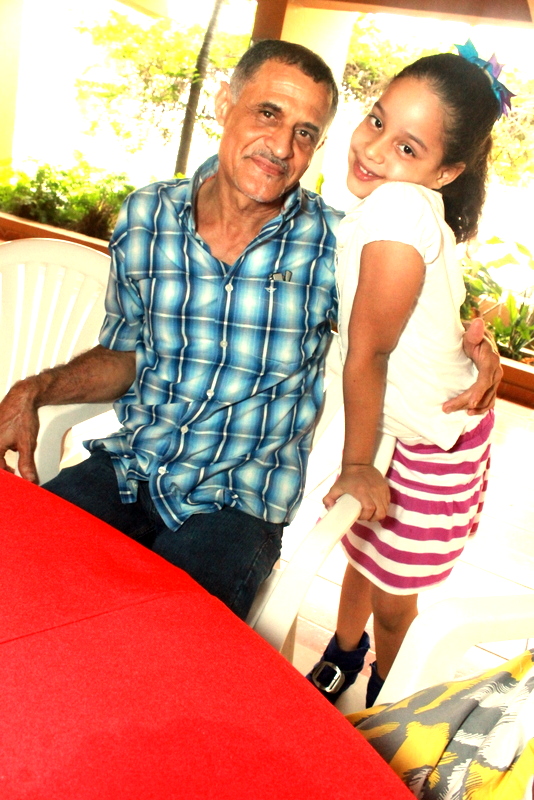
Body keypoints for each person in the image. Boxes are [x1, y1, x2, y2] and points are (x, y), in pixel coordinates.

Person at [0, 40, 501, 622]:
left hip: (239, 504)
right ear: (223, 103)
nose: (283, 147)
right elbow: (125, 353)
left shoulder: (335, 243)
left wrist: (473, 348)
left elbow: (412, 309)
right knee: (18, 574)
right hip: (130, 467)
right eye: (268, 113)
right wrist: (34, 390)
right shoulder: (146, 215)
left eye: (306, 132)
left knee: (161, 642)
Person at [307, 43, 512, 704]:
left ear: (446, 171)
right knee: (364, 551)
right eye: (376, 119)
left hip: (430, 445)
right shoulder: (398, 204)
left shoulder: (397, 209)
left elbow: (369, 353)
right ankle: (344, 651)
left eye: (406, 147)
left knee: (395, 602)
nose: (372, 149)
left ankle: (391, 705)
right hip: (402, 428)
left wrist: (355, 464)